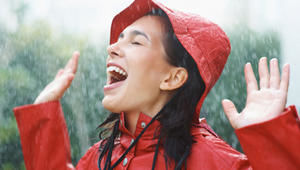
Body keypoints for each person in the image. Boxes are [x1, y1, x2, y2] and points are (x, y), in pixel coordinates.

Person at [13, 0, 300, 170]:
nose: (113, 47)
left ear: (173, 78)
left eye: (136, 41)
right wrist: (43, 113)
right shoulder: (99, 157)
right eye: (119, 38)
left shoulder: (213, 161)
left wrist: (269, 139)